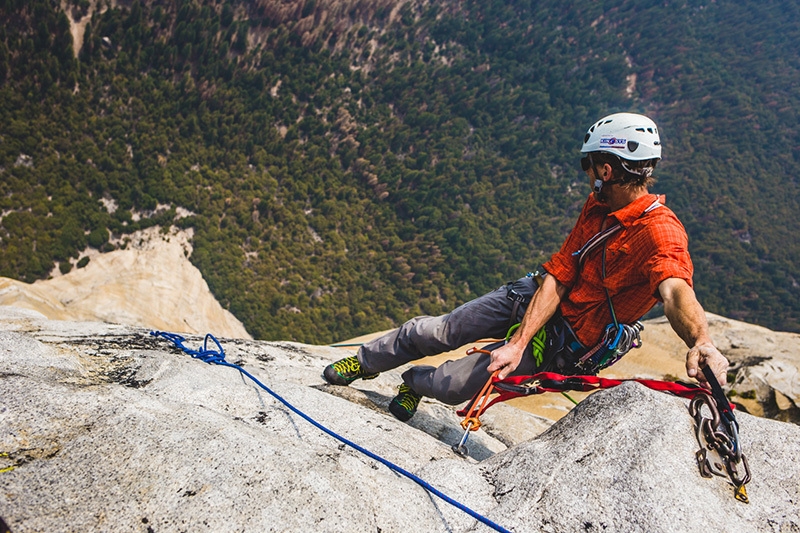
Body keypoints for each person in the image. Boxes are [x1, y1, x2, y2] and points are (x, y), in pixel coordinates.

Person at [323, 112, 730, 422]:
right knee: (441, 330)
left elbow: (676, 289)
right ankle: (364, 361)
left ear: (608, 170)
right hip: (533, 295)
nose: (587, 174)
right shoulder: (600, 204)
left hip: (563, 340)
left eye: (590, 165)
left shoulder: (660, 233)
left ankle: (413, 382)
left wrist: (702, 341)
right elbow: (561, 272)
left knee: (453, 386)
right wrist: (516, 341)